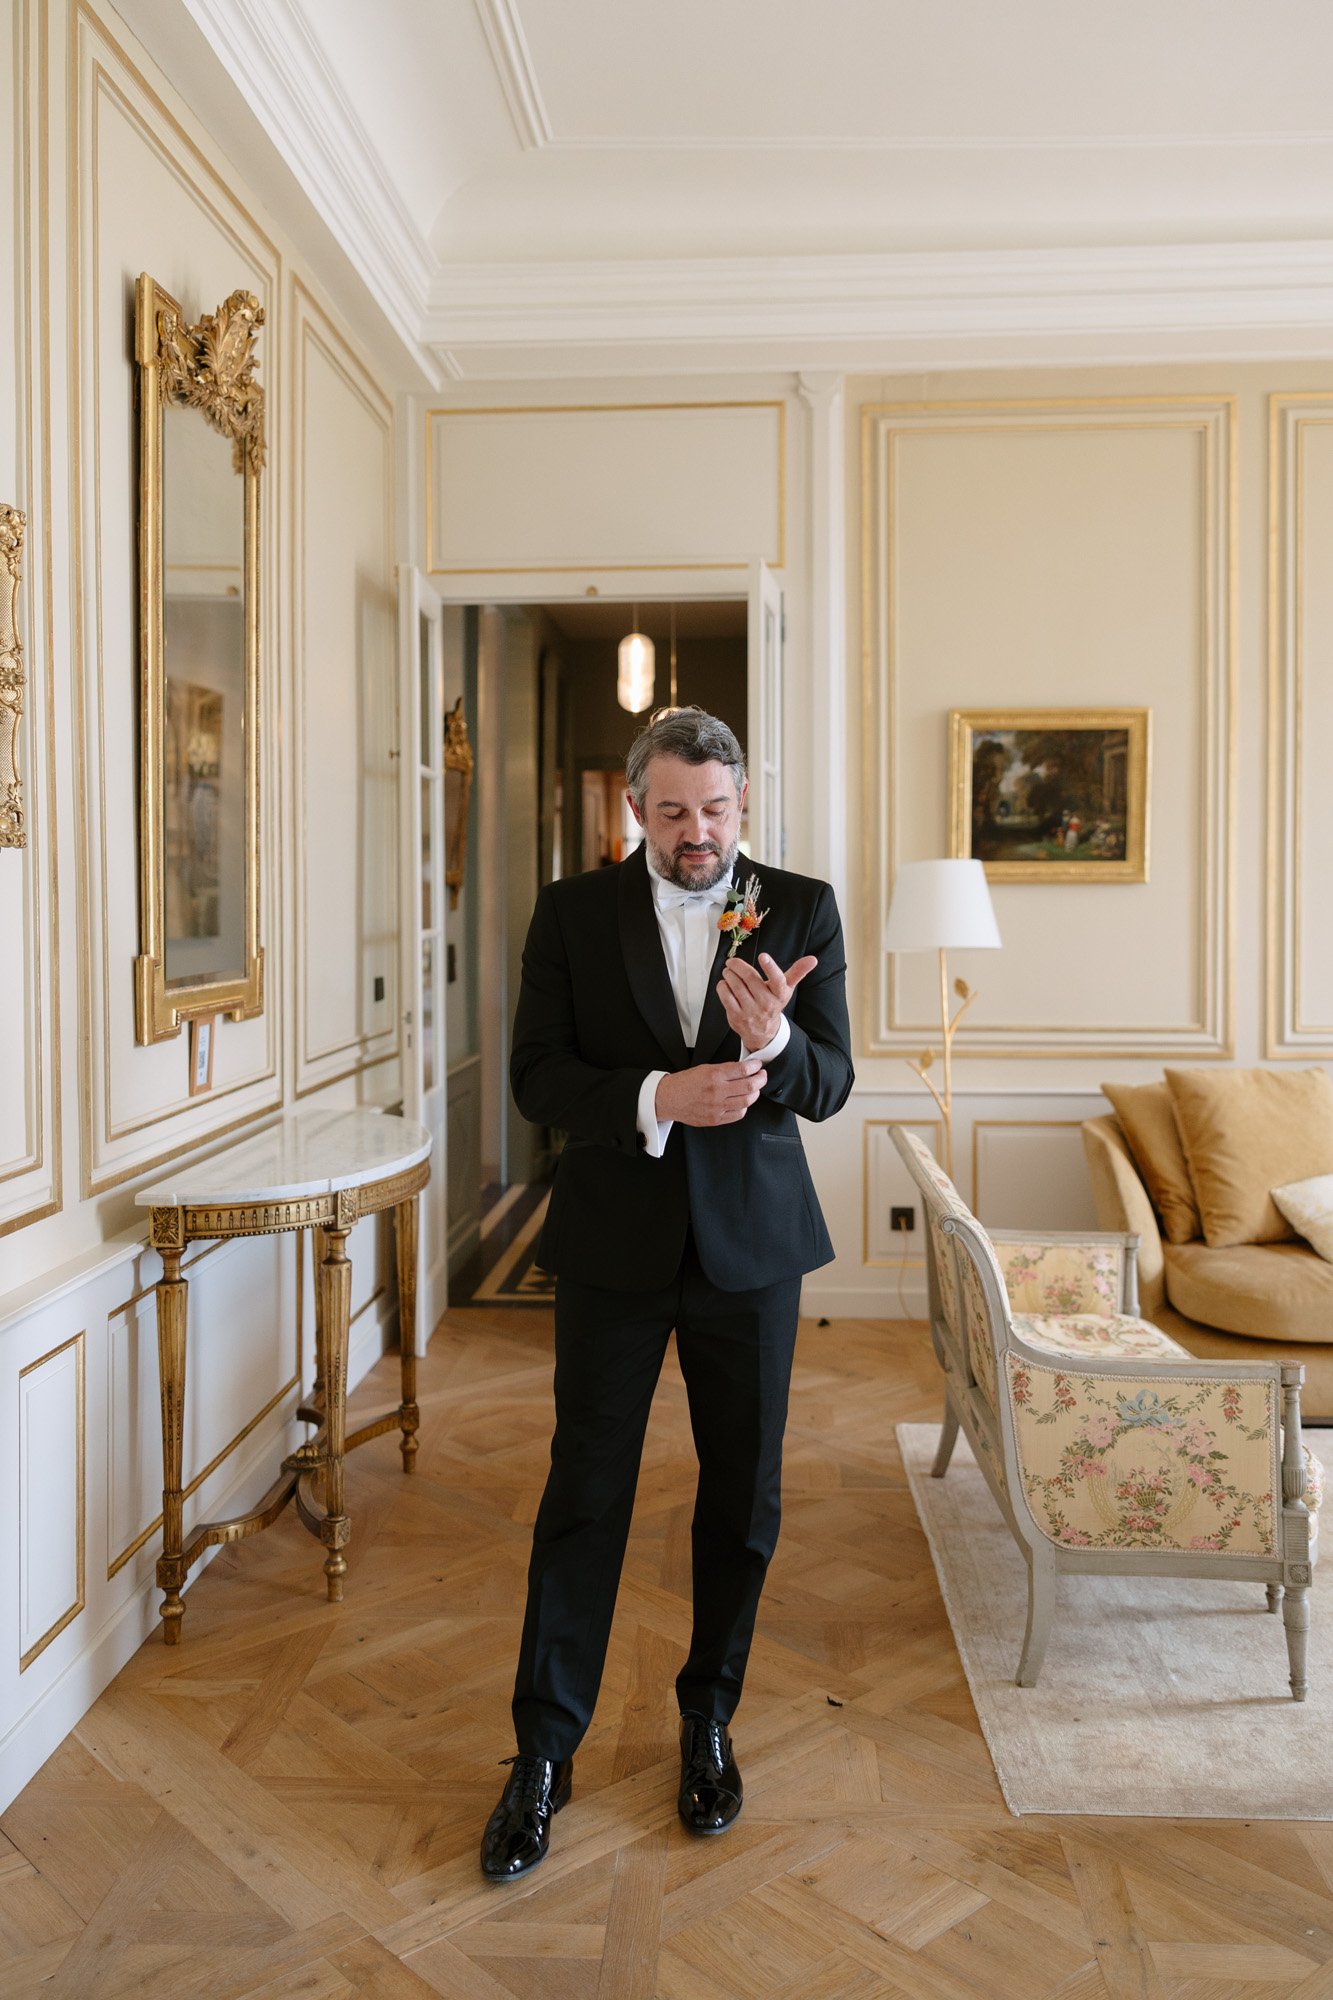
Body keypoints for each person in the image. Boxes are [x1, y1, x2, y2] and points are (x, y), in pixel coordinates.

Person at [479, 705, 854, 1881]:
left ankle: (708, 1719)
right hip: (611, 1251)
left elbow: (831, 1083)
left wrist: (781, 1039)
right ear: (635, 806)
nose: (701, 832)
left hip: (754, 1249)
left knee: (742, 1497)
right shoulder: (570, 912)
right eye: (677, 809)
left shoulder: (800, 904)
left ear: (745, 806)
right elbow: (538, 1076)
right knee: (583, 1494)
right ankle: (542, 1751)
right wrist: (655, 1095)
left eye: (721, 810)